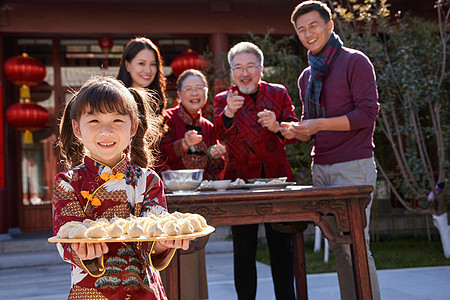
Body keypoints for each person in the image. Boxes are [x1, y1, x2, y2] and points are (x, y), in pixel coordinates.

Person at [52, 76, 190, 299]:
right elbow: (65, 236)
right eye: (94, 121)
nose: (106, 131)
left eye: (117, 120)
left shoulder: (148, 180)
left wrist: (165, 242)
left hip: (144, 290)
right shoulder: (67, 182)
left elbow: (154, 233)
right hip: (90, 291)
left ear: (133, 127)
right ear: (77, 128)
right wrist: (81, 249)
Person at [281, 1, 381, 299]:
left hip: (354, 165)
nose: (307, 33)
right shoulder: (306, 76)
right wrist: (292, 130)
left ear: (329, 26)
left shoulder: (355, 61)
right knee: (340, 247)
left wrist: (317, 125)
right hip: (321, 167)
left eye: (313, 25)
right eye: (301, 29)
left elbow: (366, 115)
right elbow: (311, 126)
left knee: (358, 247)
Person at [213, 41, 297, 300]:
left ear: (261, 69)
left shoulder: (278, 93)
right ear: (232, 72)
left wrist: (278, 126)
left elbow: (296, 131)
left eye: (250, 66)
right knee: (244, 251)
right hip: (241, 183)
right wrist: (228, 112)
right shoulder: (222, 99)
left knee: (282, 250)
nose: (245, 72)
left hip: (277, 180)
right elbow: (215, 134)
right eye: (239, 68)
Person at [159, 68, 226, 299]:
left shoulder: (208, 126)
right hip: (171, 204)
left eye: (200, 88)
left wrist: (217, 156)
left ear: (207, 92)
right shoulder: (166, 119)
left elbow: (214, 171)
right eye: (188, 88)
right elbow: (157, 156)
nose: (194, 93)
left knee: (195, 259)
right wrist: (183, 145)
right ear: (178, 93)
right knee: (173, 260)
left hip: (198, 205)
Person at [117, 36, 167, 116]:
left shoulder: (157, 102)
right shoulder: (116, 100)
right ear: (127, 65)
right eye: (141, 63)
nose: (148, 70)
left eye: (153, 64)